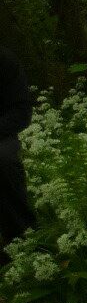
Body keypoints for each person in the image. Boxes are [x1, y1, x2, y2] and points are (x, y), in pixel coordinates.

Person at [0, 46, 35, 246]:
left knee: (3, 160)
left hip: (1, 135)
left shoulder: (5, 60)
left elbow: (21, 112)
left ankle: (21, 240)